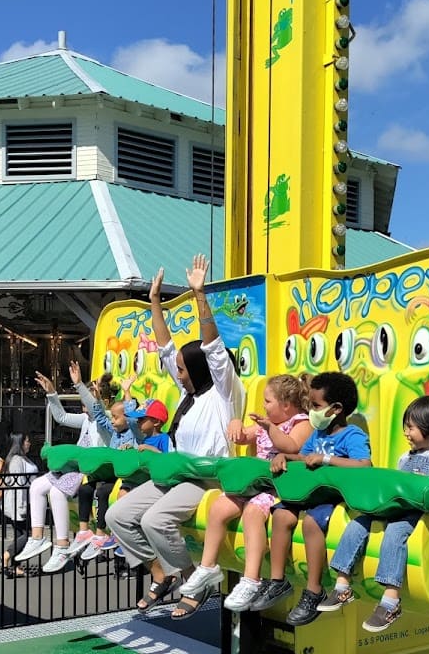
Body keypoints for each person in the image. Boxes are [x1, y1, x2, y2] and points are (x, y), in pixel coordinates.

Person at [105, 253, 245, 610]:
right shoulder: (190, 393)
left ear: (200, 368)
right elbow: (166, 346)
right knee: (117, 516)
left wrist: (199, 295)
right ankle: (160, 572)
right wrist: (154, 301)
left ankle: (192, 581)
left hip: (204, 479)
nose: (178, 374)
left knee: (154, 520)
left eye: (183, 369)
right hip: (176, 474)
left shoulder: (224, 392)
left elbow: (212, 347)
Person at [310, 397, 429, 632]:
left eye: (411, 427)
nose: (406, 433)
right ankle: (342, 585)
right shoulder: (406, 457)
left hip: (419, 513)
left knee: (395, 531)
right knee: (358, 523)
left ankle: (391, 601)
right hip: (396, 507)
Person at [172, 373, 312, 618]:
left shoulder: (301, 423)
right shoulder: (265, 423)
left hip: (277, 487)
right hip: (253, 483)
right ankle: (207, 567)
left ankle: (251, 579)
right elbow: (243, 436)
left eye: (268, 402)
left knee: (252, 512)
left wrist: (269, 428)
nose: (264, 406)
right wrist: (236, 425)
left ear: (286, 405)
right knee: (219, 507)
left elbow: (291, 446)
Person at [248, 371, 372, 624]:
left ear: (336, 409)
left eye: (316, 406)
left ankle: (314, 590)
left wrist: (327, 459)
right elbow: (303, 456)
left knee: (311, 524)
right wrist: (284, 456)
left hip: (332, 497)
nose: (312, 411)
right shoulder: (317, 434)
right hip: (309, 493)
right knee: (281, 515)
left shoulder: (353, 436)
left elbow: (364, 465)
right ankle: (277, 581)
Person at [14, 370, 102, 573]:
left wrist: (80, 385)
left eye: (86, 403)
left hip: (88, 469)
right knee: (36, 486)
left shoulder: (103, 421)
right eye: (82, 404)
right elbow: (61, 417)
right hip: (74, 467)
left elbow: (96, 410)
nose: (84, 408)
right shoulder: (86, 420)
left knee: (56, 492)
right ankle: (37, 537)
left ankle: (62, 545)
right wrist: (52, 393)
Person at [80, 385, 171, 562]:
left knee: (111, 494)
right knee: (112, 494)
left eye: (141, 419)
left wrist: (128, 392)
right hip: (130, 478)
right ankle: (116, 535)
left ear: (156, 422)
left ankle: (122, 537)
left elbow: (166, 459)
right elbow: (101, 417)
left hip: (146, 481)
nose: (137, 422)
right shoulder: (135, 436)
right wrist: (97, 400)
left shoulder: (156, 438)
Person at [0, 433, 39, 577]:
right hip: (18, 504)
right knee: (28, 536)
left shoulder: (22, 458)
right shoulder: (16, 461)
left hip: (26, 501)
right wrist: (22, 507)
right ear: (19, 443)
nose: (29, 443)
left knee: (20, 534)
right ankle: (5, 557)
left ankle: (16, 566)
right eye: (27, 441)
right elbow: (17, 485)